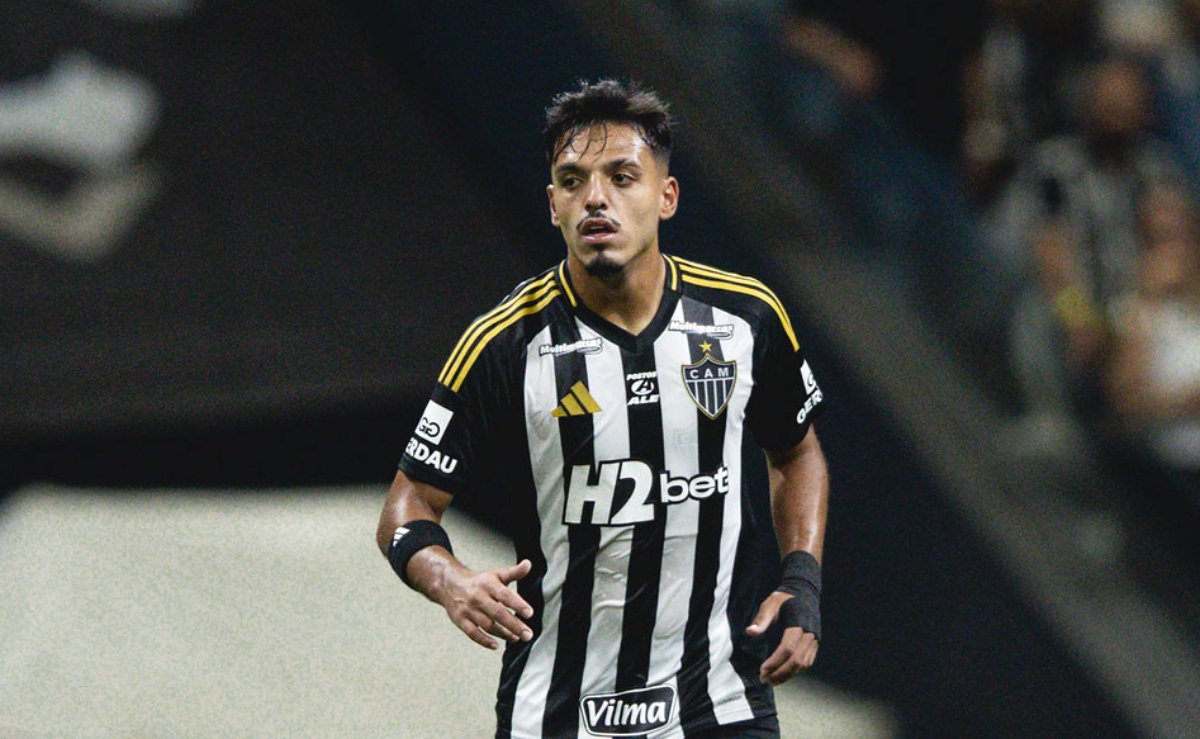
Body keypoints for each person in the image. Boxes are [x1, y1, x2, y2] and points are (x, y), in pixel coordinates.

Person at [376, 79, 830, 738]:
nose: (595, 197)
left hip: (721, 702)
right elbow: (407, 503)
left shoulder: (745, 317)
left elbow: (797, 452)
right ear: (553, 205)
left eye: (621, 177)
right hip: (560, 711)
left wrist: (802, 578)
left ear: (666, 196)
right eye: (573, 180)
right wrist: (450, 580)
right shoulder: (503, 343)